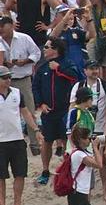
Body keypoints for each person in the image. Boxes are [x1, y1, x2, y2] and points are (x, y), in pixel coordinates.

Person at [32, 37, 83, 185]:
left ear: (55, 49)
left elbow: (76, 78)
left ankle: (68, 170)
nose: (44, 49)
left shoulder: (67, 63)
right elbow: (35, 87)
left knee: (68, 140)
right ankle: (45, 170)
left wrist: (58, 69)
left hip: (65, 111)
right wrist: (40, 103)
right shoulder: (42, 67)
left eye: (47, 47)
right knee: (47, 141)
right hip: (48, 112)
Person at [0, 65, 38, 205]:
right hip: (0, 141)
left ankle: (17, 204)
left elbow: (25, 112)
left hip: (17, 139)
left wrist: (35, 130)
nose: (8, 80)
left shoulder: (17, 93)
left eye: (9, 77)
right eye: (4, 78)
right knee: (1, 176)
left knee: (20, 173)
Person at [0, 16, 40, 153]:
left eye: (3, 28)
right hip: (4, 80)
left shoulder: (24, 38)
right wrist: (6, 64)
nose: (1, 31)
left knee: (28, 110)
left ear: (11, 26)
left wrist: (26, 61)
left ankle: (34, 142)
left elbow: (36, 53)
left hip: (23, 78)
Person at [64, 125, 101, 205]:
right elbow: (99, 165)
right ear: (81, 140)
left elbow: (97, 161)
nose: (89, 140)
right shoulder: (79, 155)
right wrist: (95, 147)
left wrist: (100, 148)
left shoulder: (83, 153)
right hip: (77, 193)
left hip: (79, 193)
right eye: (86, 138)